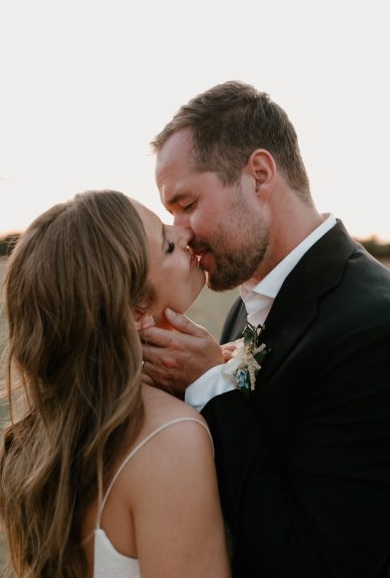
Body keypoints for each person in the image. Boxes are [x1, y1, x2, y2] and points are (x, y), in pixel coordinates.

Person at [141, 81, 390, 577]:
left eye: (186, 203)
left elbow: (320, 562)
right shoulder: (247, 307)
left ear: (258, 174)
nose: (182, 232)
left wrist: (211, 385)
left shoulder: (372, 329)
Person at [0, 190, 230, 578]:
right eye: (168, 245)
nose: (184, 233)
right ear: (135, 311)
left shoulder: (45, 434)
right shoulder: (171, 437)